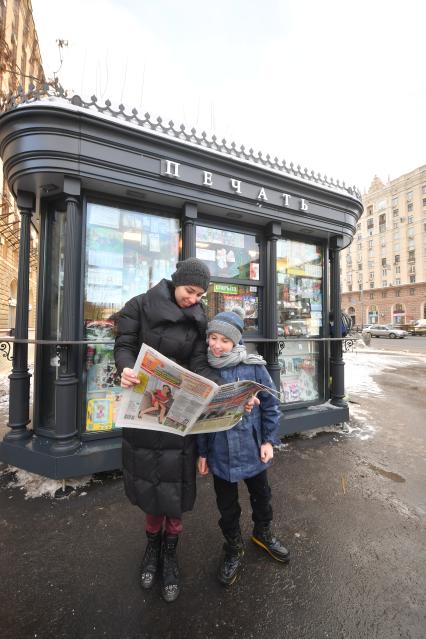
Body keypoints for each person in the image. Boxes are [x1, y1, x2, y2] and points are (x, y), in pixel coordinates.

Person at [114, 257, 221, 603]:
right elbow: (124, 344)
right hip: (145, 411)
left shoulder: (199, 318)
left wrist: (217, 389)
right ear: (177, 283)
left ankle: (170, 555)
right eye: (190, 292)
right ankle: (152, 550)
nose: (194, 299)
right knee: (150, 487)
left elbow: (201, 363)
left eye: (200, 295)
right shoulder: (139, 305)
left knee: (174, 490)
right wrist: (125, 368)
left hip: (179, 419)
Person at [197, 307, 290, 587]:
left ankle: (263, 533)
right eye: (213, 338)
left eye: (224, 340)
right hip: (219, 451)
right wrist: (202, 452)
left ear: (235, 342)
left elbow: (271, 407)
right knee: (227, 506)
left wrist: (268, 441)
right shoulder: (203, 368)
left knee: (261, 495)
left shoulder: (253, 366)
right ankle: (233, 547)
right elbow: (199, 418)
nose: (217, 345)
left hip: (252, 447)